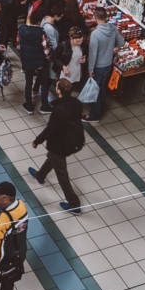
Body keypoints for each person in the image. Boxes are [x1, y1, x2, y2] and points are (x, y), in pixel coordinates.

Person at [28, 79, 85, 213]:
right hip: (74, 140)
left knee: (61, 174)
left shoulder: (59, 109)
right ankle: (41, 175)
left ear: (59, 91)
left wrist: (37, 141)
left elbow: (50, 129)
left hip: (60, 144)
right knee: (53, 158)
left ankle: (74, 204)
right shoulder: (76, 103)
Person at [85, 6, 122, 121]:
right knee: (102, 89)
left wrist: (90, 70)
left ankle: (94, 115)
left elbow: (93, 55)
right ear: (106, 17)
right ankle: (99, 109)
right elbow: (121, 42)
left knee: (96, 90)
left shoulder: (95, 34)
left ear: (95, 17)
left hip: (98, 67)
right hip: (108, 65)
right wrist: (113, 48)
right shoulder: (113, 28)